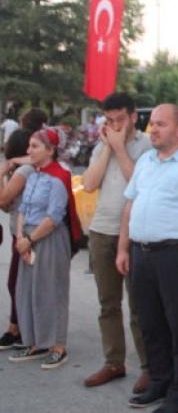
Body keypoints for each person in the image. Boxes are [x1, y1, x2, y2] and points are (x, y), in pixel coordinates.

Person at [116, 104, 178, 413]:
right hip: (141, 252)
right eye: (151, 125)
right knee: (150, 322)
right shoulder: (146, 161)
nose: (153, 130)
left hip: (175, 253)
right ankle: (160, 381)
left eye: (160, 124)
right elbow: (131, 206)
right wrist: (123, 248)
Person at [81, 93, 151, 392]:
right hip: (101, 230)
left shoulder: (147, 145)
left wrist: (120, 148)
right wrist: (109, 148)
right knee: (107, 304)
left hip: (134, 233)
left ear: (134, 117)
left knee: (140, 305)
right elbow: (88, 184)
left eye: (120, 119)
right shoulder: (102, 145)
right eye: (109, 120)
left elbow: (140, 183)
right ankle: (114, 362)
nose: (114, 125)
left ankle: (150, 366)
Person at [9, 128, 81, 369]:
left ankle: (57, 346)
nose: (29, 151)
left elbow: (53, 216)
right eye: (29, 146)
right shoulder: (34, 176)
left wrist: (28, 240)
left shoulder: (59, 177)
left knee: (53, 291)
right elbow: (22, 209)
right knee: (27, 291)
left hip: (47, 239)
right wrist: (20, 238)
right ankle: (36, 342)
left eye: (34, 147)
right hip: (28, 237)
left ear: (50, 150)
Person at [0, 129, 34, 350]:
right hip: (19, 232)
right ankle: (16, 327)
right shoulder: (20, 169)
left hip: (27, 234)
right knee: (18, 282)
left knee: (18, 283)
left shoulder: (24, 171)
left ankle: (21, 329)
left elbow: (3, 200)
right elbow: (5, 205)